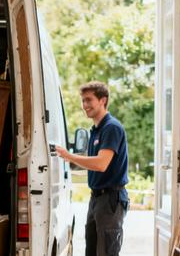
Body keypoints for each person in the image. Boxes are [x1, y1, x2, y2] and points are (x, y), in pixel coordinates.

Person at [54, 81, 129, 256]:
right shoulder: (95, 130)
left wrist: (69, 156)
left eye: (89, 100)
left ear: (103, 100)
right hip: (96, 198)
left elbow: (100, 164)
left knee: (105, 253)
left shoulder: (111, 127)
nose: (85, 105)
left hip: (110, 200)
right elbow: (91, 162)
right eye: (83, 101)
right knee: (92, 251)